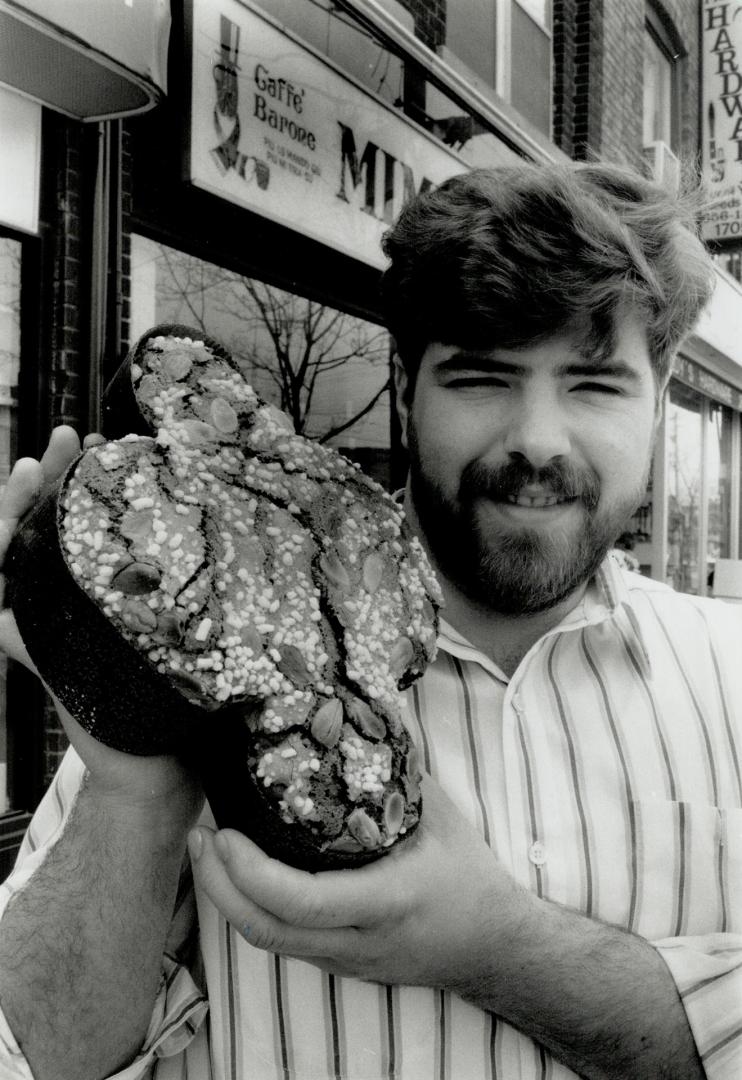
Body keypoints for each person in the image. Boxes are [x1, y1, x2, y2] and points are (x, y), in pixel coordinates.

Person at [0, 162, 740, 1080]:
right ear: (406, 387)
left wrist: (497, 950)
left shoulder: (730, 676)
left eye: (594, 385)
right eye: (481, 377)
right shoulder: (211, 661)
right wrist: (136, 791)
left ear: (661, 398)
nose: (537, 438)